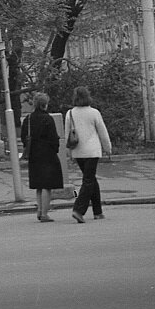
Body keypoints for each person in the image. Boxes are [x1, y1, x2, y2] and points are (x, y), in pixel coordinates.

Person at [65, 86, 112, 223]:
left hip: (78, 151)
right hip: (92, 151)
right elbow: (102, 132)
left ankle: (98, 211)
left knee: (90, 179)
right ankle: (78, 210)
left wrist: (68, 152)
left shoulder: (70, 113)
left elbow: (67, 134)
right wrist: (107, 147)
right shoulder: (94, 113)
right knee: (88, 181)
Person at [20, 92, 63, 222]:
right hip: (47, 154)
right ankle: (44, 213)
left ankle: (39, 210)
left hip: (33, 154)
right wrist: (55, 149)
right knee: (47, 185)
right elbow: (53, 138)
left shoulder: (28, 119)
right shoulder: (47, 119)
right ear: (45, 104)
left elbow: (23, 137)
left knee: (38, 185)